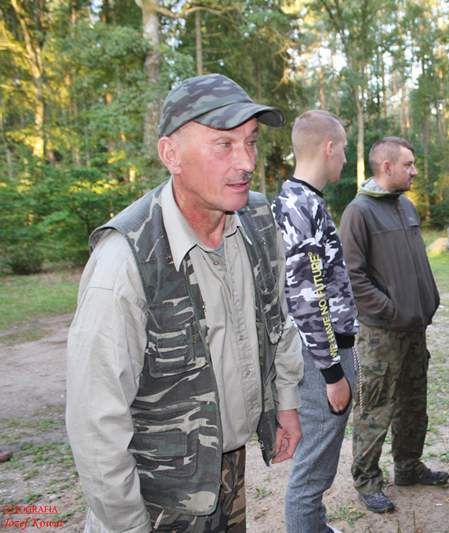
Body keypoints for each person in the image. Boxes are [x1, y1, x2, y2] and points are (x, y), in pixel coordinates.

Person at [65, 73, 304, 532]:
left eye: (251, 142)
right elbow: (96, 423)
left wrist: (286, 403)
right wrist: (127, 525)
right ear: (170, 154)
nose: (246, 162)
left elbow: (279, 321)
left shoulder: (256, 220)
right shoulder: (125, 261)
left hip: (225, 467)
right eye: (224, 144)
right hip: (157, 494)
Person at [340, 136, 447, 514]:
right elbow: (352, 276)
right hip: (381, 333)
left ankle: (408, 466)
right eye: (408, 164)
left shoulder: (405, 206)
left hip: (414, 329)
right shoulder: (359, 212)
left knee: (414, 403)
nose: (414, 171)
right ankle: (367, 480)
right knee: (375, 407)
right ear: (387, 167)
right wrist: (390, 310)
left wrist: (426, 302)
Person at [272, 110, 358, 533]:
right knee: (311, 472)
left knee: (318, 465)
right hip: (319, 356)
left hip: (324, 351)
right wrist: (333, 372)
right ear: (328, 147)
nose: (345, 158)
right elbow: (307, 297)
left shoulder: (303, 200)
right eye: (343, 149)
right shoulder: (298, 205)